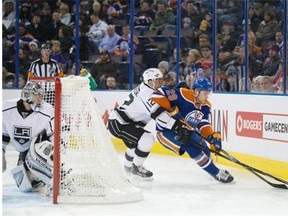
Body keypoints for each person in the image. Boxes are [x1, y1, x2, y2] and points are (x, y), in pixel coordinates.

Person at [151, 78, 234, 183]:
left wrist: (211, 137)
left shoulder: (205, 105)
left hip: (185, 130)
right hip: (166, 132)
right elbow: (157, 94)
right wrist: (170, 110)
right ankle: (216, 173)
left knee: (203, 144)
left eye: (208, 93)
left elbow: (202, 123)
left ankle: (210, 167)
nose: (207, 96)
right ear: (196, 91)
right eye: (205, 93)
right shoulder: (183, 94)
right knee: (191, 148)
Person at [108, 68, 177, 179]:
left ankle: (127, 168)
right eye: (158, 80)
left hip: (121, 122)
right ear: (150, 81)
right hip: (120, 123)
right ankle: (137, 167)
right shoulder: (147, 93)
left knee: (136, 147)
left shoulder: (148, 89)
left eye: (161, 79)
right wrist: (177, 126)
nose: (161, 82)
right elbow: (161, 117)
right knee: (147, 139)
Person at [2, 82, 54, 193]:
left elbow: (54, 135)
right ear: (26, 95)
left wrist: (57, 157)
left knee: (42, 148)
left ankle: (56, 179)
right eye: (36, 95)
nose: (40, 98)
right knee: (26, 185)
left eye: (41, 95)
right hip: (24, 153)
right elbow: (3, 135)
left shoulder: (47, 110)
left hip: (41, 149)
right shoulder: (6, 108)